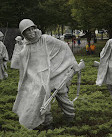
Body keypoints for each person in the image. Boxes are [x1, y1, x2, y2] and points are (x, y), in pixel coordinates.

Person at [11, 19, 81, 130]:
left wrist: (73, 64)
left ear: (35, 28)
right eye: (27, 31)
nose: (31, 32)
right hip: (37, 79)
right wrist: (18, 46)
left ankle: (70, 119)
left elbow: (63, 47)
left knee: (62, 96)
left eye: (32, 28)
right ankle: (48, 124)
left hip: (54, 74)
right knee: (40, 101)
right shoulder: (25, 45)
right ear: (23, 34)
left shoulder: (46, 39)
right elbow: (16, 64)